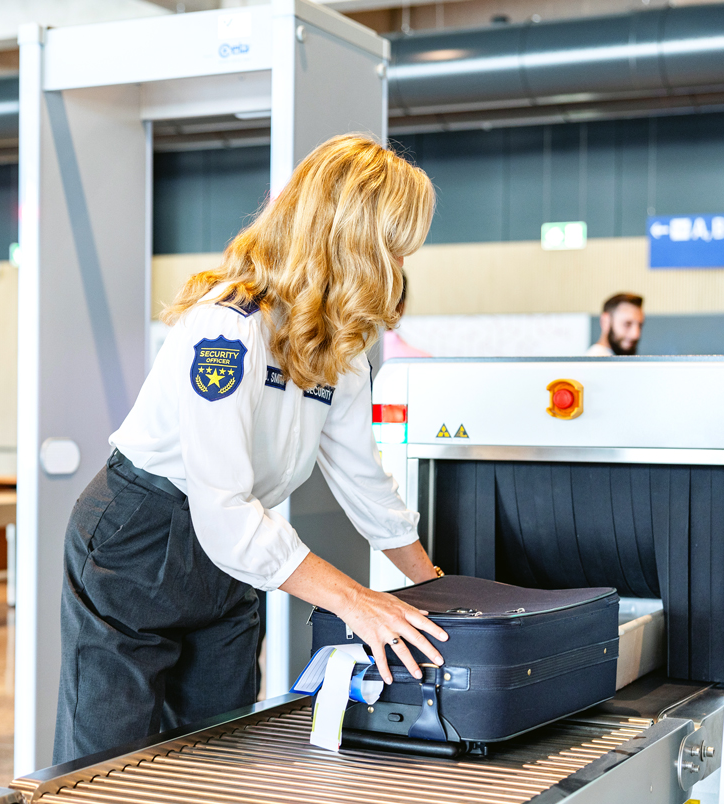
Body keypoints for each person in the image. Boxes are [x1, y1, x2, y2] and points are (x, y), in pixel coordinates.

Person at [54, 135, 450, 764]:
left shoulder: (338, 346)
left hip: (232, 550)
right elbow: (223, 510)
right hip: (139, 536)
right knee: (109, 765)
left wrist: (432, 588)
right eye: (393, 250)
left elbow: (362, 480)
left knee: (219, 747)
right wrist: (358, 603)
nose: (399, 270)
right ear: (349, 240)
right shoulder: (228, 326)